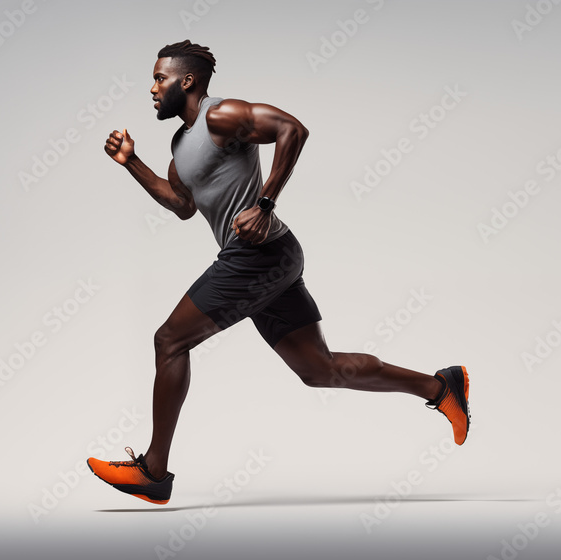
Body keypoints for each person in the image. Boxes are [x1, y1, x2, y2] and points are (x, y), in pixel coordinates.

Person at [87, 40, 469, 505]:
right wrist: (132, 163)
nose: (152, 88)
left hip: (258, 255)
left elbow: (292, 129)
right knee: (319, 369)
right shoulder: (179, 144)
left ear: (186, 81)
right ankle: (441, 385)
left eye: (159, 78)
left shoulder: (221, 116)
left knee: (170, 340)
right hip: (272, 259)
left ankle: (153, 471)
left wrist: (265, 203)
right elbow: (182, 205)